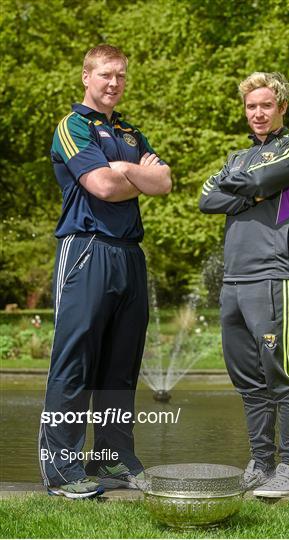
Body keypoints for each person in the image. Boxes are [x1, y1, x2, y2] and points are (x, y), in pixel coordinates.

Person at [39, 44, 171, 499]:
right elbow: (99, 185)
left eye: (120, 76)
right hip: (87, 249)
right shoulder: (72, 126)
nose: (113, 83)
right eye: (105, 75)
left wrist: (122, 169)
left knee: (120, 364)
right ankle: (62, 469)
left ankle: (114, 458)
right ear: (86, 77)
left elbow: (165, 183)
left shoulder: (131, 131)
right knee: (75, 361)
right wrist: (135, 176)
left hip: (129, 254)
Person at [199, 72, 289, 497]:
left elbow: (257, 182)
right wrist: (253, 191)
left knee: (283, 376)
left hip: (275, 273)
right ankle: (262, 464)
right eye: (251, 106)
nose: (258, 113)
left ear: (281, 106)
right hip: (234, 280)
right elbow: (207, 198)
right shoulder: (236, 156)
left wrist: (254, 187)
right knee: (248, 381)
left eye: (266, 105)